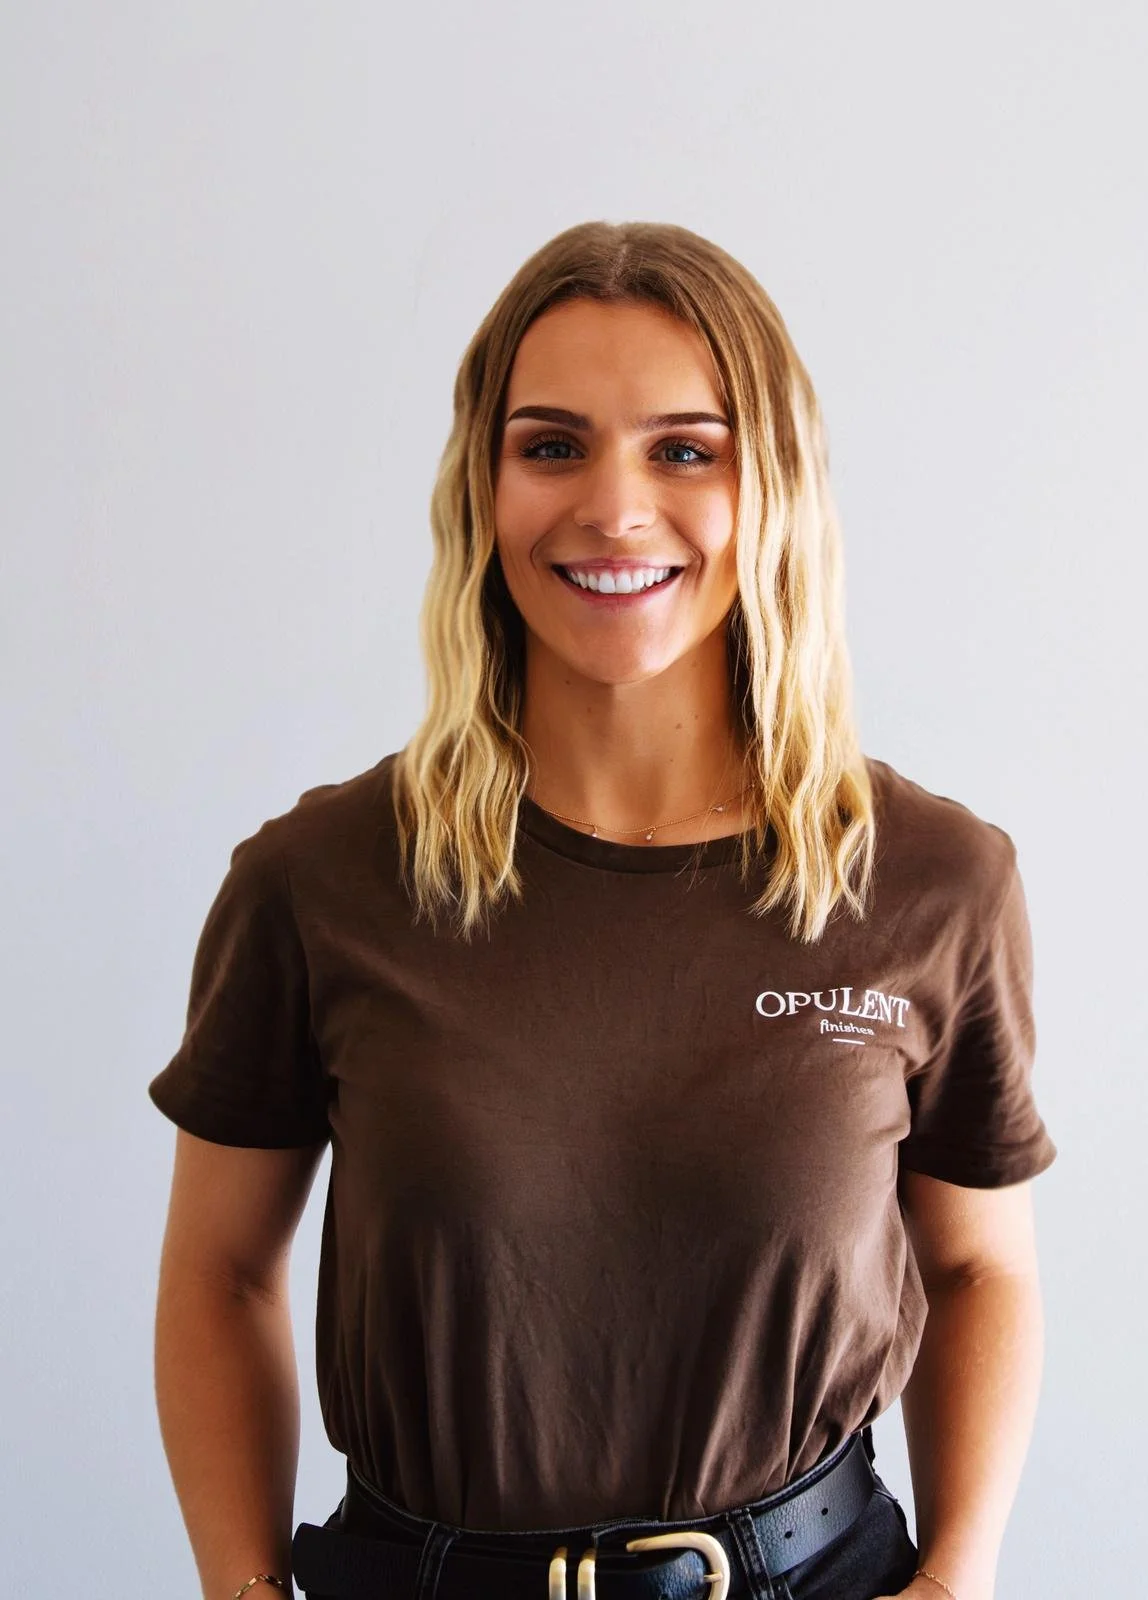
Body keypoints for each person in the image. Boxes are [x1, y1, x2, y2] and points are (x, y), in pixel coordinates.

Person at [148, 219, 1057, 1600]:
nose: (615, 508)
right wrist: (236, 1586)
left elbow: (981, 1267)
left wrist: (961, 1578)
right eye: (553, 445)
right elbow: (218, 1271)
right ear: (482, 484)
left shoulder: (930, 880)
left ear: (775, 489)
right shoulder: (319, 881)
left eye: (686, 449)